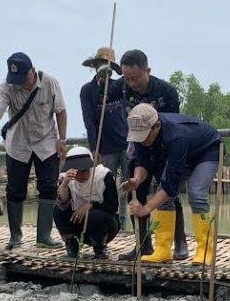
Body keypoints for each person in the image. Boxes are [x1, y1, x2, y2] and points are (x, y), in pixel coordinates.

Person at [0, 52, 67, 250]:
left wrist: (62, 140)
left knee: (49, 187)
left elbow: (61, 111)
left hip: (46, 142)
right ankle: (15, 237)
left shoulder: (50, 82)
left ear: (32, 72)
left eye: (23, 78)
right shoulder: (6, 86)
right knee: (15, 190)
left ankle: (44, 237)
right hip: (18, 144)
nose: (20, 83)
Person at [107, 49, 189, 261]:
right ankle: (142, 244)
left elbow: (174, 126)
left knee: (168, 191)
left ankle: (178, 241)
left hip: (163, 148)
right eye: (126, 78)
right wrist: (102, 79)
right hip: (137, 147)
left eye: (135, 78)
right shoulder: (121, 87)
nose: (131, 83)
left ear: (147, 71)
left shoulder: (166, 91)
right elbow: (100, 96)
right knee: (135, 190)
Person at [124, 104, 222, 265]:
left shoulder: (176, 136)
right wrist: (136, 179)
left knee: (196, 193)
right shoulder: (141, 137)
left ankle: (206, 251)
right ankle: (163, 250)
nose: (143, 141)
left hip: (207, 150)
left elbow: (171, 184)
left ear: (157, 126)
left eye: (146, 136)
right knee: (164, 197)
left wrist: (146, 208)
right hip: (183, 154)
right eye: (139, 137)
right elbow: (142, 161)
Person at [80, 47, 129, 229]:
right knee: (105, 186)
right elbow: (89, 121)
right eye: (101, 64)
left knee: (127, 186)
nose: (103, 68)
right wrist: (94, 148)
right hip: (105, 148)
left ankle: (124, 223)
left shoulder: (119, 86)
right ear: (95, 66)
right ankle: (110, 221)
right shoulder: (88, 91)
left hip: (126, 144)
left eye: (107, 65)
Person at [54, 146, 120, 259]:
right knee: (58, 210)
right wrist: (64, 184)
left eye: (83, 171)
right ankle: (72, 247)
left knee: (95, 216)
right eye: (77, 172)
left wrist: (90, 205)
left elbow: (113, 206)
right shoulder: (66, 179)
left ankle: (100, 249)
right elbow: (63, 203)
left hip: (105, 226)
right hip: (78, 225)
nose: (80, 175)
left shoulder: (104, 175)